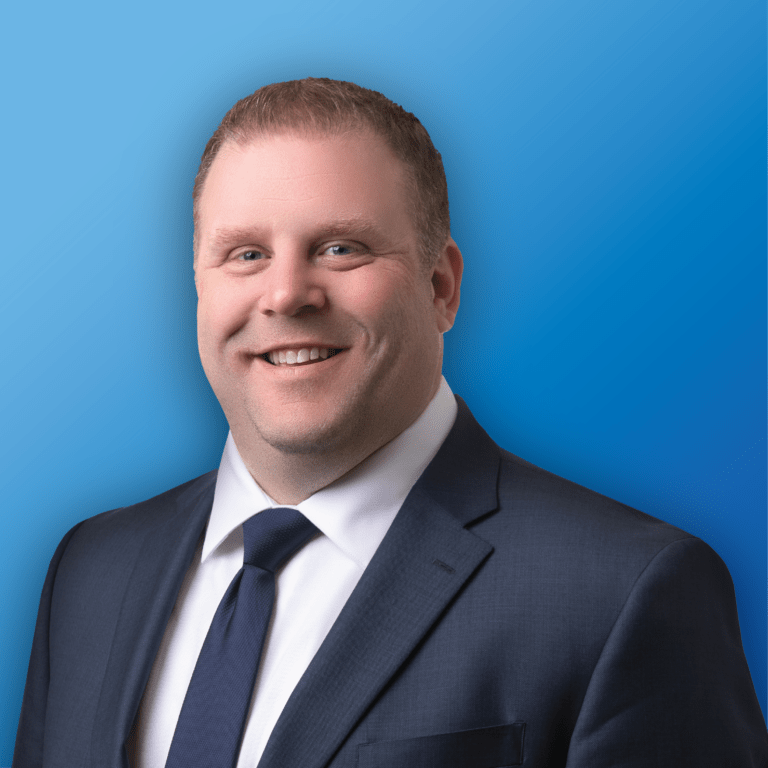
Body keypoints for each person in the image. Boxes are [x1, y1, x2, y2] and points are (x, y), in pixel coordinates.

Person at [13, 78, 767, 768]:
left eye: (340, 248)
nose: (286, 294)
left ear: (441, 287)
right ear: (200, 287)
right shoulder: (91, 570)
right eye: (245, 254)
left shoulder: (622, 591)